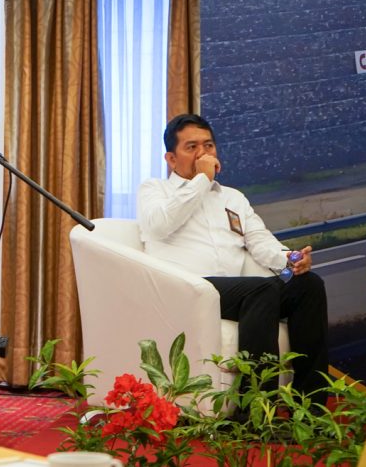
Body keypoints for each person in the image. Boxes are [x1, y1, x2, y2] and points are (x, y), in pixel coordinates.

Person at [137, 113, 329, 402]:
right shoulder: (154, 190)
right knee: (260, 289)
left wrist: (289, 259)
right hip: (187, 288)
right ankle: (256, 408)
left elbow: (259, 240)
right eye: (192, 147)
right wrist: (202, 180)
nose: (203, 153)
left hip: (241, 292)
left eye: (208, 145)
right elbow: (159, 225)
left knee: (308, 285)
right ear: (171, 159)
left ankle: (311, 403)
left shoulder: (232, 197)